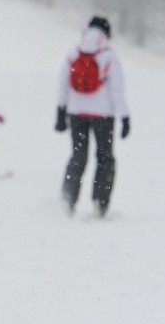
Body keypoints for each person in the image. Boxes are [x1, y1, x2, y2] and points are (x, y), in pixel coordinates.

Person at [55, 15, 130, 216]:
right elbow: (117, 90)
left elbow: (63, 84)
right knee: (105, 158)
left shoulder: (73, 52)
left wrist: (61, 112)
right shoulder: (108, 55)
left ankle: (67, 200)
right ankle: (100, 204)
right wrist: (124, 117)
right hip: (103, 115)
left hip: (76, 112)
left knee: (78, 156)